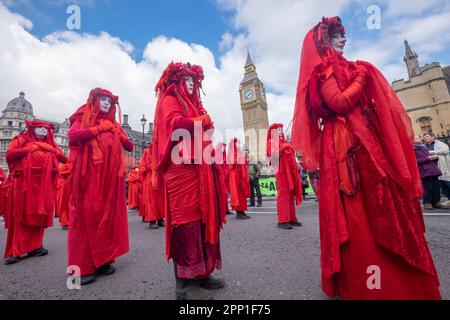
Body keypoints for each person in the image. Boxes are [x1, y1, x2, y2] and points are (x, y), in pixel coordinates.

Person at [291, 17, 441, 299]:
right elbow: (339, 102)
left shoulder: (345, 66)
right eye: (336, 35)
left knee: (382, 200)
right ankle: (370, 278)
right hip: (346, 144)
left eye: (343, 35)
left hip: (363, 140)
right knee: (359, 206)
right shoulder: (324, 72)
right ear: (324, 41)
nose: (343, 39)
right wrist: (363, 76)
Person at [152, 62, 227, 300]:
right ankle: (183, 285)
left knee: (205, 218)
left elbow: (206, 129)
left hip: (200, 165)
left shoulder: (194, 105)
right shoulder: (169, 99)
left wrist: (203, 121)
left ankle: (202, 273)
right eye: (187, 80)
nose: (192, 85)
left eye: (195, 81)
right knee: (187, 223)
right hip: (180, 167)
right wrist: (203, 120)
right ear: (176, 81)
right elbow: (176, 125)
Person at [67, 88, 133, 285]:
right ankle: (81, 267)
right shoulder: (83, 116)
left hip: (110, 178)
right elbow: (73, 136)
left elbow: (129, 146)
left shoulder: (112, 124)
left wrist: (120, 135)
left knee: (107, 217)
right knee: (86, 217)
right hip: (89, 176)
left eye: (109, 101)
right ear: (94, 100)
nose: (106, 103)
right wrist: (96, 130)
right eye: (103, 100)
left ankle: (103, 260)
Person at [3, 120, 68, 265]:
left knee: (40, 214)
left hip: (44, 184)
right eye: (40, 128)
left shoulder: (50, 144)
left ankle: (35, 246)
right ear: (32, 129)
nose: (44, 131)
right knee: (21, 215)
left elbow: (65, 159)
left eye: (46, 129)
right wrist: (29, 149)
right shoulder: (21, 140)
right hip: (24, 183)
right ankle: (15, 250)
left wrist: (54, 150)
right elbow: (9, 154)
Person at [267, 123, 303, 230]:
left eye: (281, 129)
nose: (280, 131)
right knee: (283, 194)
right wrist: (284, 147)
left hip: (288, 172)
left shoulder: (282, 142)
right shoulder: (271, 142)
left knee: (290, 194)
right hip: (281, 172)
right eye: (278, 130)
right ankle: (282, 220)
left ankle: (291, 218)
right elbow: (273, 155)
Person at [414, 136, 446, 210]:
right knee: (428, 187)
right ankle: (427, 203)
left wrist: (435, 158)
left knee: (436, 187)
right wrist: (428, 158)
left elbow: (429, 158)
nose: (419, 138)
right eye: (416, 138)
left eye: (419, 137)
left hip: (433, 169)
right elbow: (414, 161)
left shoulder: (424, 147)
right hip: (424, 171)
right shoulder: (413, 149)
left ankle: (436, 202)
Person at [139, 144, 165, 229]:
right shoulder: (147, 151)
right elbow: (143, 165)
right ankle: (152, 221)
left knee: (160, 200)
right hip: (151, 178)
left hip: (159, 177)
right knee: (152, 201)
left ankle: (160, 219)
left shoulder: (161, 149)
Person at [423, 132, 450, 206]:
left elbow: (446, 150)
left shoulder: (440, 144)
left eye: (427, 136)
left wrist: (432, 152)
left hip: (443, 165)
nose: (425, 138)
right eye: (424, 137)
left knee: (447, 182)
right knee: (441, 184)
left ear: (433, 137)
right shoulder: (425, 146)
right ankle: (449, 198)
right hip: (433, 168)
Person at [228, 138, 251, 220]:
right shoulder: (231, 153)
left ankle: (242, 212)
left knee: (242, 194)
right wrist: (239, 159)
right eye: (237, 143)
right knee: (238, 195)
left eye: (239, 143)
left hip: (241, 176)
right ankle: (239, 213)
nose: (239, 145)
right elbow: (231, 165)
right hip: (235, 177)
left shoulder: (239, 153)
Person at [216, 143, 233, 215]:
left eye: (224, 147)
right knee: (222, 195)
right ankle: (223, 210)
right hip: (221, 179)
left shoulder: (224, 156)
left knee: (225, 195)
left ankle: (225, 209)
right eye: (222, 147)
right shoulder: (218, 157)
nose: (223, 148)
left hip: (225, 179)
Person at [56, 163, 72, 230]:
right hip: (67, 184)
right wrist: (71, 171)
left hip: (73, 184)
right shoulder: (65, 165)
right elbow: (61, 172)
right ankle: (65, 222)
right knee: (65, 204)